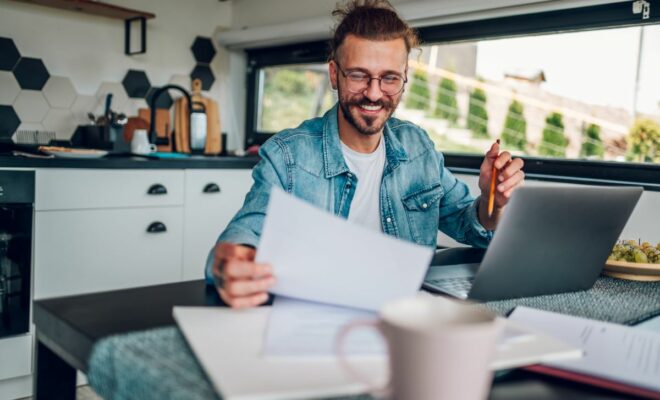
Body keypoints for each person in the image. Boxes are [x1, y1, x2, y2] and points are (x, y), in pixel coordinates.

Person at [206, 0, 525, 308]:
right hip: (318, 317)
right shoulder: (288, 156)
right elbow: (245, 233)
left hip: (406, 319)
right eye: (359, 75)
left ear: (404, 79)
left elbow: (469, 224)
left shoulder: (419, 148)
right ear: (334, 74)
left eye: (389, 78)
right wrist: (231, 261)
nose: (374, 93)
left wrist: (491, 200)